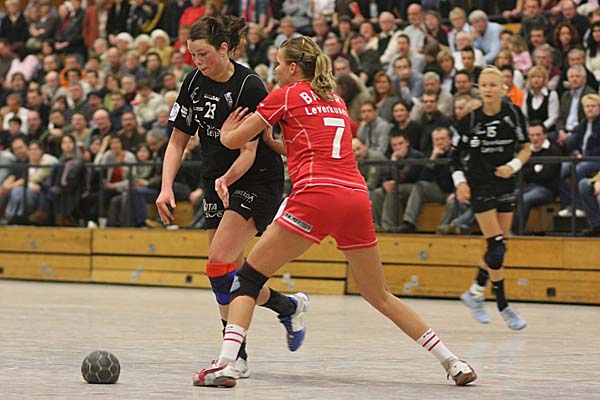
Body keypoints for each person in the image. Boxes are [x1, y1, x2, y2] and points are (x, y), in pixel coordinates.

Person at [187, 36, 477, 388]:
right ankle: (452, 361)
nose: (275, 70)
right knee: (380, 295)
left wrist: (228, 131)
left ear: (293, 67)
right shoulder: (335, 100)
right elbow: (310, 146)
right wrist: (275, 144)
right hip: (355, 197)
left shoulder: (285, 95)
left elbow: (233, 141)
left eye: (278, 64)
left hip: (315, 195)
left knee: (247, 280)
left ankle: (227, 365)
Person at [154, 15, 308, 382]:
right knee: (231, 275)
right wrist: (165, 186)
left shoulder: (249, 86)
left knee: (219, 262)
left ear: (224, 49)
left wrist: (227, 179)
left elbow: (249, 151)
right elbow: (177, 141)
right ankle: (288, 306)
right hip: (216, 181)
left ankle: (235, 357)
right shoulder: (193, 82)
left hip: (256, 179)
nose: (198, 62)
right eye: (192, 55)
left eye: (203, 54)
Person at [452, 67, 532, 330]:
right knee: (496, 247)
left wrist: (513, 166)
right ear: (478, 88)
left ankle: (475, 293)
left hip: (506, 183)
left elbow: (526, 148)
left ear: (503, 88)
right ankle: (503, 306)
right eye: (483, 85)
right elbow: (453, 157)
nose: (487, 89)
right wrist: (460, 182)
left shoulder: (513, 114)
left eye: (492, 85)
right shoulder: (469, 120)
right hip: (480, 185)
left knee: (499, 247)